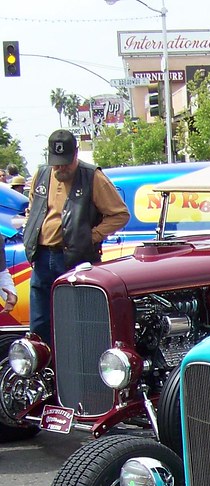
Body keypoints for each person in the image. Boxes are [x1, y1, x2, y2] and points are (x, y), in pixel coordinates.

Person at [22, 130, 129, 345]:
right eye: (56, 164)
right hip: (42, 257)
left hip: (75, 260)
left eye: (65, 163)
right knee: (40, 324)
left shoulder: (92, 177)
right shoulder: (41, 175)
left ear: (75, 155)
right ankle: (44, 374)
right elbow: (33, 208)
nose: (61, 168)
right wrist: (30, 229)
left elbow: (120, 215)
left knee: (77, 324)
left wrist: (90, 237)